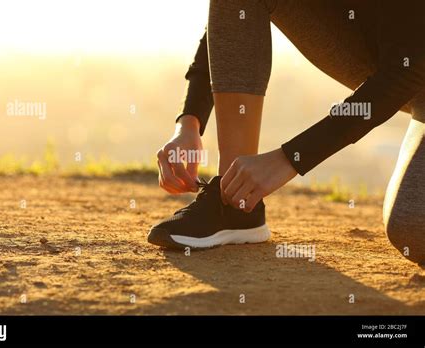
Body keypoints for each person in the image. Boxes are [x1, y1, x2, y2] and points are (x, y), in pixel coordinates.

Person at [149, 0, 425, 264]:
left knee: (414, 227)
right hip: (395, 59)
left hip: (411, 65)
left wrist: (289, 159)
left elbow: (409, 66)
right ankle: (234, 202)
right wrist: (189, 120)